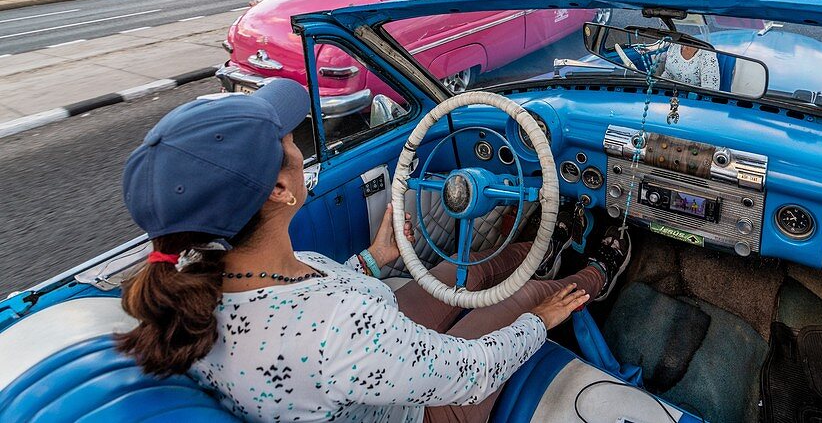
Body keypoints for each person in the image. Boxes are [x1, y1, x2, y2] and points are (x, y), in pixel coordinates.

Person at [115, 79, 630, 423]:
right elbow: (472, 374)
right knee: (529, 296)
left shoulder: (201, 280)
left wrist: (376, 259)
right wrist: (538, 319)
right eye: (289, 140)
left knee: (471, 270)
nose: (298, 144)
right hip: (423, 409)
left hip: (372, 355)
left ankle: (552, 242)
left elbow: (311, 295)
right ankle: (599, 273)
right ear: (278, 191)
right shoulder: (335, 328)